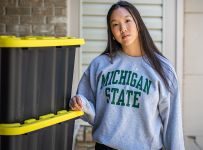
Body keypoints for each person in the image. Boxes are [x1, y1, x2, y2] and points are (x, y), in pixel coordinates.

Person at [69, 1, 185, 150]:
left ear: (138, 23)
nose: (122, 28)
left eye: (127, 20)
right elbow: (91, 112)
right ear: (111, 31)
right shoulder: (100, 65)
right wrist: (81, 104)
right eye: (115, 24)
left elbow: (172, 123)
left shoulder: (162, 69)